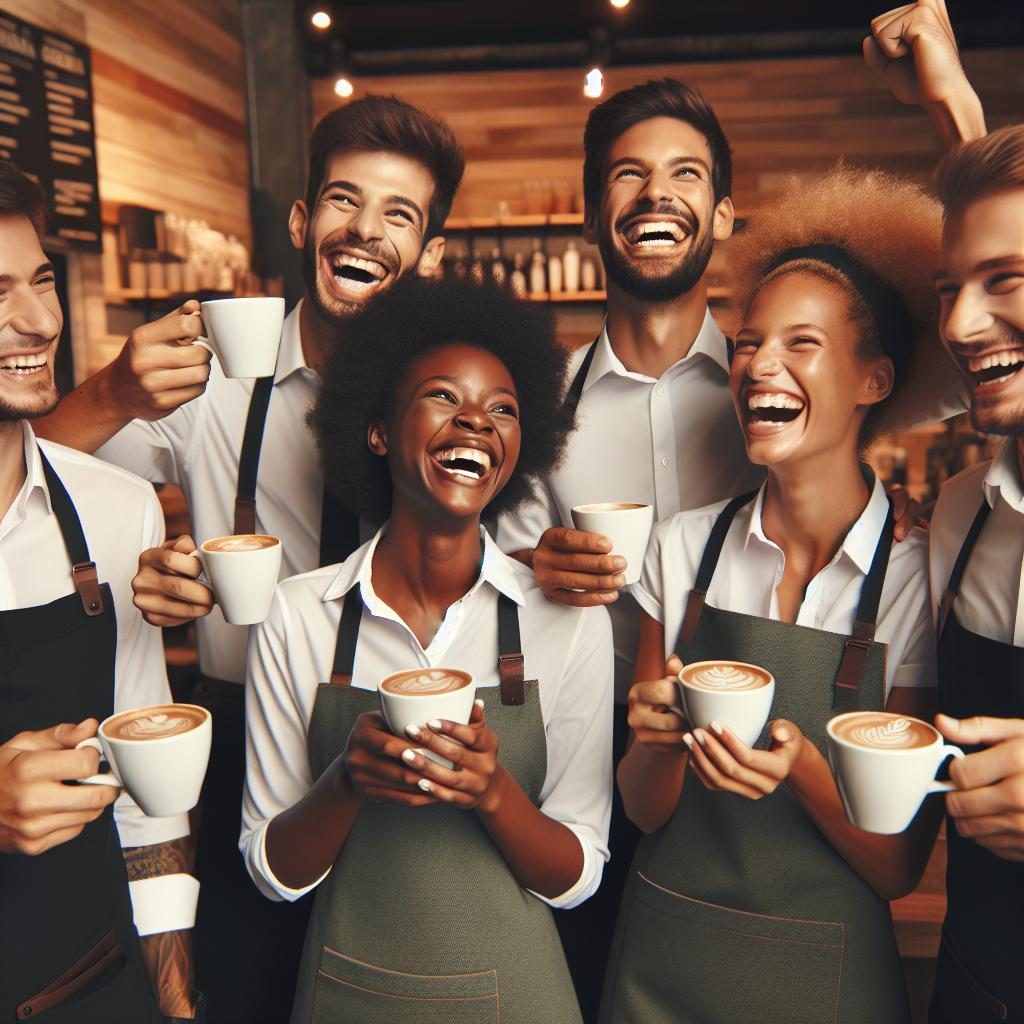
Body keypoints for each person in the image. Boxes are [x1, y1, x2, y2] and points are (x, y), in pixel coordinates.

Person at [34, 96, 465, 1023]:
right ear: (306, 224)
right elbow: (41, 476)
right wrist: (114, 393)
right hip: (236, 744)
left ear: (430, 252)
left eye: (401, 214)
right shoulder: (216, 368)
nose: (367, 230)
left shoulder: (455, 390)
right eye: (345, 201)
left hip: (404, 751)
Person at [601, 165, 954, 1023]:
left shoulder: (917, 576)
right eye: (751, 342)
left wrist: (798, 766)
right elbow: (644, 809)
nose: (761, 365)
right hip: (661, 956)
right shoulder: (685, 549)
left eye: (803, 344)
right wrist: (653, 743)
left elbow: (896, 864)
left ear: (874, 380)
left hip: (826, 974)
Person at [240, 277, 613, 1023]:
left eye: (503, 409)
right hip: (347, 993)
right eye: (444, 397)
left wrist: (493, 792)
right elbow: (272, 872)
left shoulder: (566, 621)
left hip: (519, 996)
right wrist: (346, 781)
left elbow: (578, 875)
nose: (476, 420)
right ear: (377, 430)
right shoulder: (297, 614)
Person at [0, 162, 200, 1020]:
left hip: (89, 984)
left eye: (42, 281)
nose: (41, 321)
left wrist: (175, 995)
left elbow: (148, 798)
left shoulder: (119, 513)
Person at [867, 5, 1024, 1018]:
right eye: (946, 289)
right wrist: (948, 105)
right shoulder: (962, 513)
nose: (960, 325)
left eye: (1001, 284)